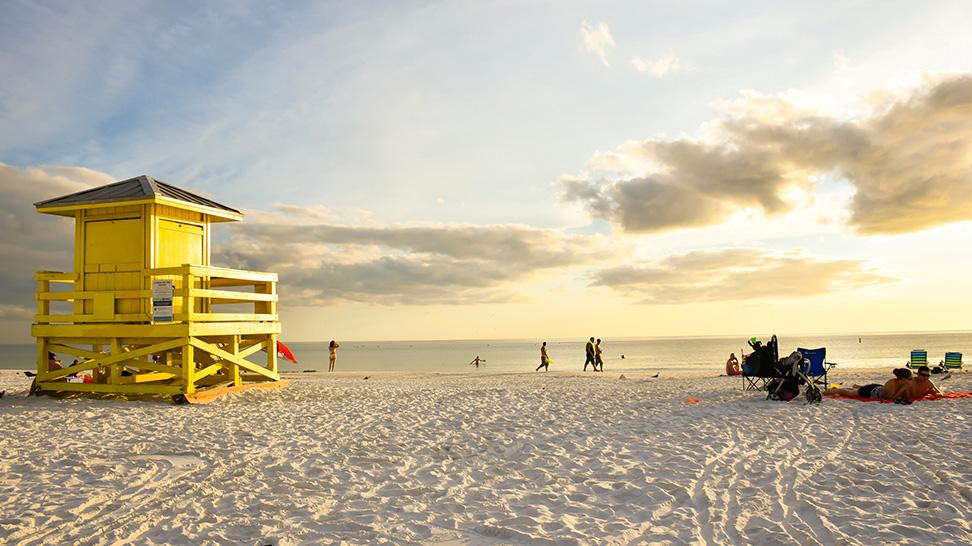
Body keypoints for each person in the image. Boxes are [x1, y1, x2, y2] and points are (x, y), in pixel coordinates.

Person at [824, 368, 913, 400]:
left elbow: (907, 397)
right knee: (848, 393)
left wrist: (906, 389)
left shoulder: (904, 383)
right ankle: (825, 392)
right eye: (910, 379)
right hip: (871, 391)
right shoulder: (892, 383)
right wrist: (903, 389)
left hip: (877, 388)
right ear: (903, 379)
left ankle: (855, 387)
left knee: (853, 390)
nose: (911, 380)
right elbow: (890, 398)